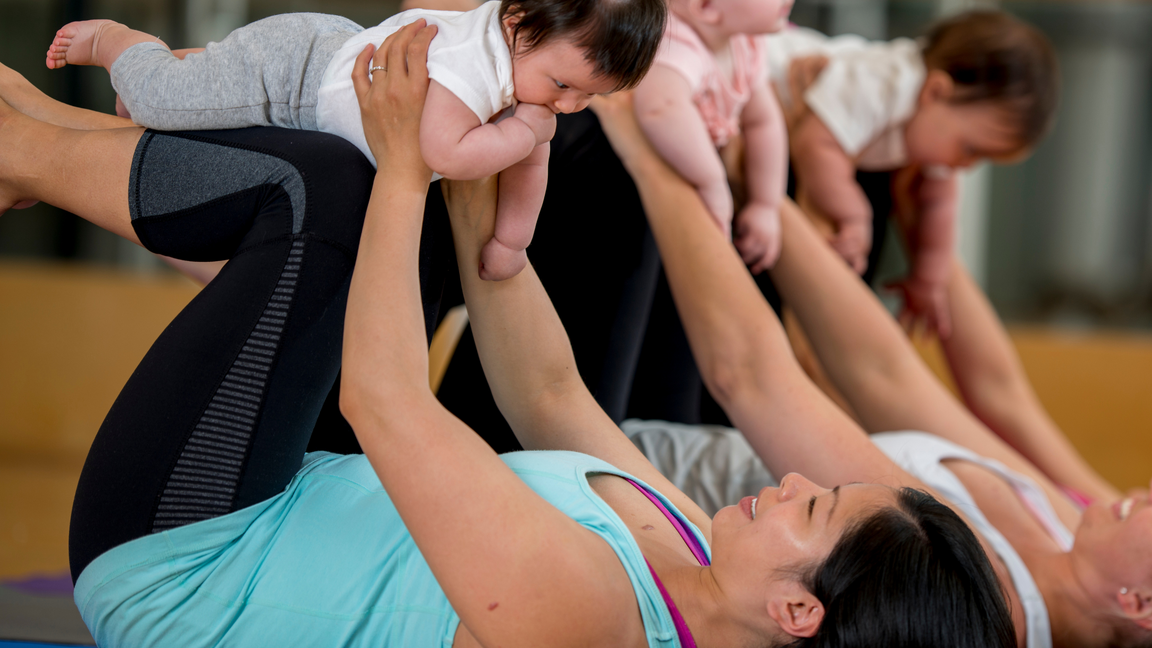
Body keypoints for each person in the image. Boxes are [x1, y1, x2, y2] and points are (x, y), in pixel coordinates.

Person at [1, 27, 1013, 648]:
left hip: (186, 562)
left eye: (817, 510)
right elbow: (549, 394)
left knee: (330, 194)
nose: (789, 483)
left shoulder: (592, 624)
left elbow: (386, 404)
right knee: (367, 181)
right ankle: (32, 127)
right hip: (285, 494)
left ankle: (21, 146)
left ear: (801, 615)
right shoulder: (700, 552)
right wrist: (481, 162)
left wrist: (407, 167)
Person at [595, 85, 1146, 643]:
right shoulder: (1065, 529)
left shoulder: (959, 595)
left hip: (631, 488)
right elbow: (886, 373)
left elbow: (752, 376)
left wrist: (655, 157)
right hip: (677, 436)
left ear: (1141, 603)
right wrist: (755, 181)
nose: (1146, 494)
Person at [44, 0, 666, 281]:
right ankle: (116, 44)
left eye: (588, 97)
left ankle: (170, 73)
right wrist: (527, 131)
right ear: (517, 25)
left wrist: (511, 241)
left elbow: (530, 166)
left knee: (198, 101)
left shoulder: (526, 69)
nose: (568, 107)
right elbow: (443, 154)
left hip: (334, 71)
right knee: (166, 101)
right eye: (563, 85)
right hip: (296, 75)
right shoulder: (472, 69)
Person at [767, 10, 1059, 336]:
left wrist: (928, 279)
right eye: (970, 149)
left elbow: (940, 206)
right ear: (936, 91)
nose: (966, 166)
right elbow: (814, 144)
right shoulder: (884, 84)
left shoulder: (936, 122)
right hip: (756, 71)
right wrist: (852, 214)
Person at [632, 0, 791, 274]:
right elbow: (660, 109)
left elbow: (763, 122)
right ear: (706, 7)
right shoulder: (676, 43)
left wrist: (765, 204)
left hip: (689, 161)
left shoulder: (746, 42)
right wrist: (712, 181)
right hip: (633, 167)